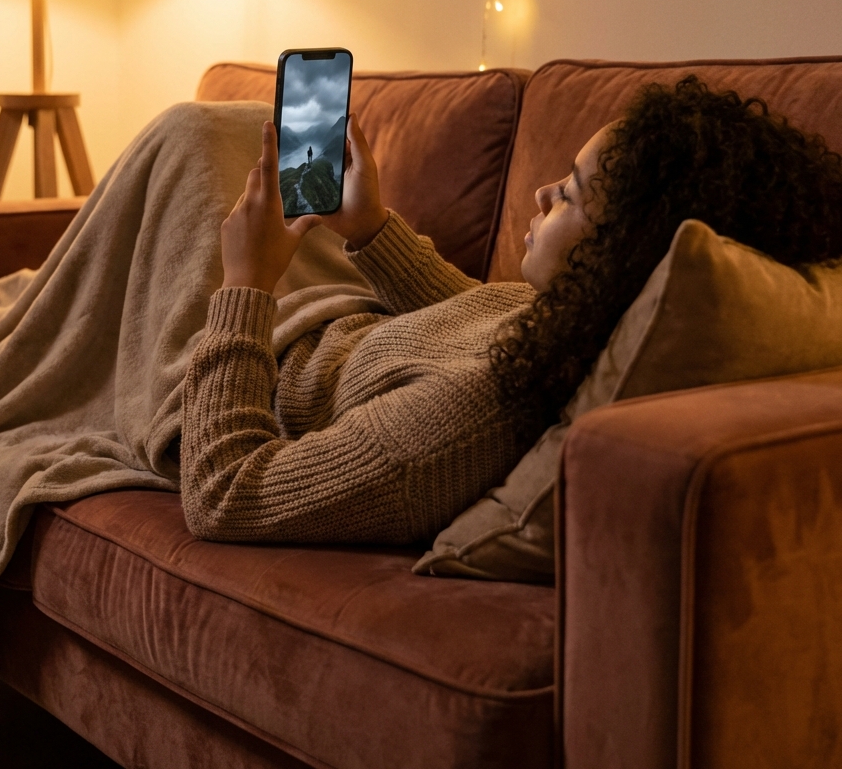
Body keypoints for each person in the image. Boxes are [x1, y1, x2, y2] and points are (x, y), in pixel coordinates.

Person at [180, 76, 842, 544]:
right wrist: (370, 227)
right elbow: (473, 318)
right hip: (324, 313)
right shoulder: (567, 332)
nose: (541, 190)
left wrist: (245, 284)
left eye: (572, 195)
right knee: (230, 131)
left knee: (191, 134)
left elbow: (225, 494)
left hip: (247, 357)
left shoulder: (459, 426)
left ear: (622, 252)